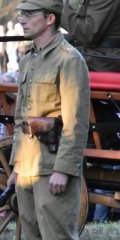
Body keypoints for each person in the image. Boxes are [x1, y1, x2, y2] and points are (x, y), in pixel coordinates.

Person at [6, 1, 90, 239]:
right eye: (21, 14)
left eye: (29, 14)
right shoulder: (28, 59)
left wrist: (64, 169)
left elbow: (76, 121)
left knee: (57, 236)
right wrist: (17, 165)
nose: (22, 19)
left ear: (50, 18)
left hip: (52, 167)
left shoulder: (69, 60)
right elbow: (21, 118)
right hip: (28, 167)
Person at [61, 0, 120, 216]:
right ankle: (101, 135)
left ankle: (103, 135)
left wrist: (60, 8)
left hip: (105, 61)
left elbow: (88, 32)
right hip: (94, 57)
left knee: (54, 70)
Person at [61, 0, 120, 72]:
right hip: (98, 52)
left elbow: (87, 34)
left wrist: (58, 8)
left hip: (105, 57)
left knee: (50, 57)